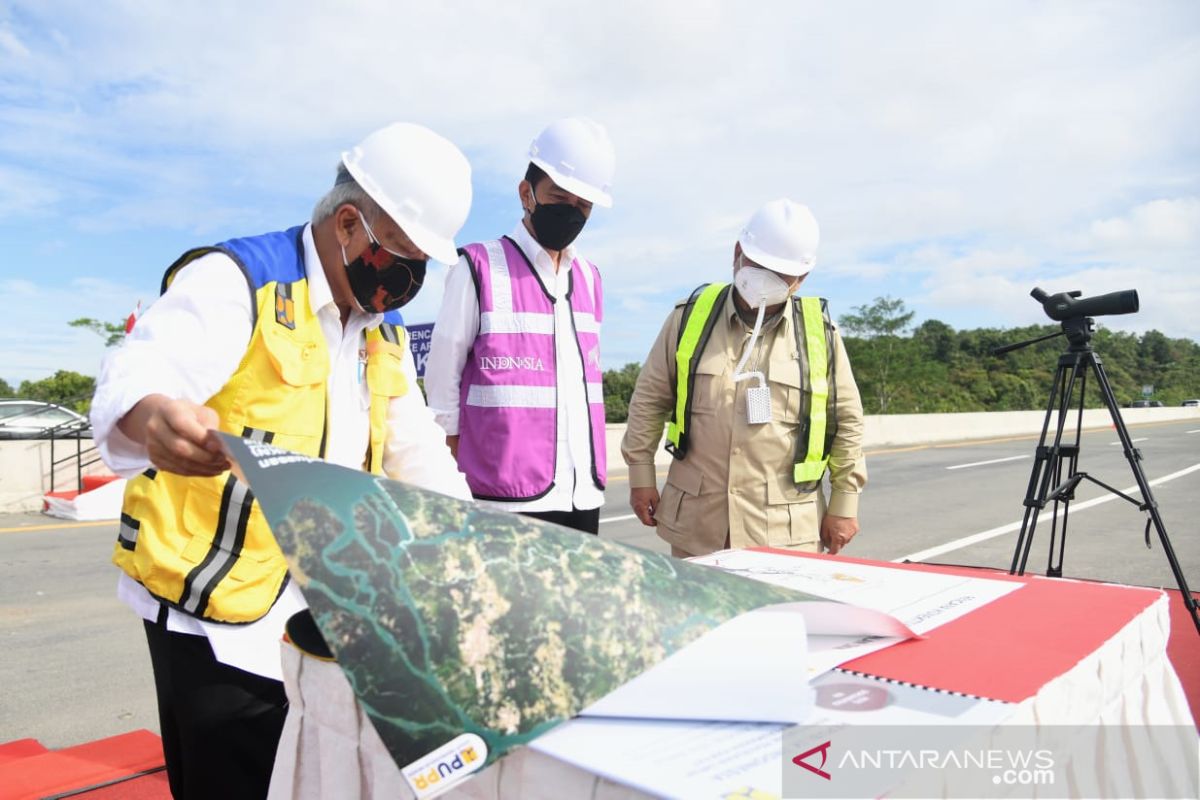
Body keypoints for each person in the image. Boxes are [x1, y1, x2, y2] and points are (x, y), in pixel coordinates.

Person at [89, 122, 474, 800]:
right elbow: (138, 366)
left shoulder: (377, 331)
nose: (412, 279)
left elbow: (419, 453)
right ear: (350, 224)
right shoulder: (241, 280)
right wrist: (154, 417)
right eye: (404, 258)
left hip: (321, 621)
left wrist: (477, 547)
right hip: (215, 622)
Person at [621, 199, 867, 558]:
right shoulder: (688, 319)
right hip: (698, 526)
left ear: (801, 279)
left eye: (780, 273)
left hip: (784, 534)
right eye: (759, 264)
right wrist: (640, 476)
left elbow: (847, 421)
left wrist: (845, 503)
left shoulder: (820, 334)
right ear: (737, 253)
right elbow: (649, 400)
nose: (766, 279)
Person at [425, 117, 615, 534]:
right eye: (560, 197)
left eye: (583, 205)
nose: (572, 212)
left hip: (582, 494)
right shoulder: (476, 267)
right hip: (501, 501)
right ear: (526, 193)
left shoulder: (590, 277)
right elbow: (442, 387)